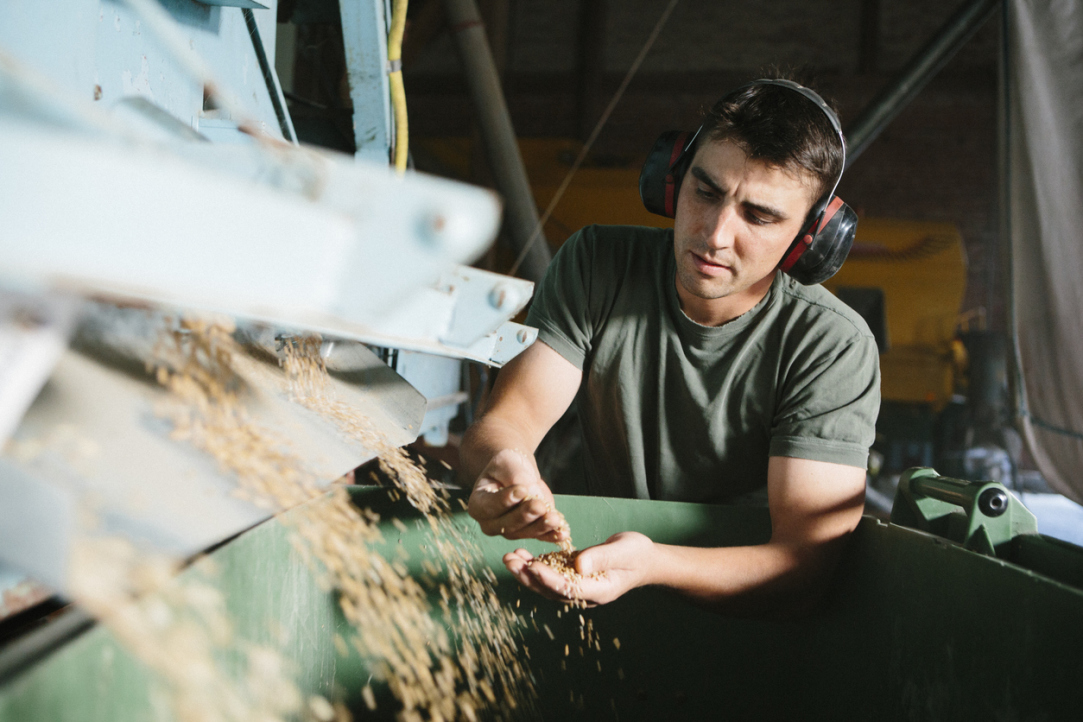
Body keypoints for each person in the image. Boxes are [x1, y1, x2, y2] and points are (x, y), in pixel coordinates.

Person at [461, 78, 880, 617]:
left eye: (759, 216)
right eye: (706, 192)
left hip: (749, 624)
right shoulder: (596, 265)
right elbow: (506, 420)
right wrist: (505, 465)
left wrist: (652, 565)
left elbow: (802, 565)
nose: (715, 233)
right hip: (598, 583)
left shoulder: (831, 346)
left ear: (810, 236)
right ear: (673, 178)